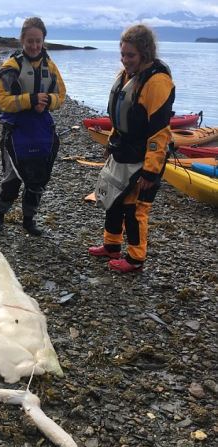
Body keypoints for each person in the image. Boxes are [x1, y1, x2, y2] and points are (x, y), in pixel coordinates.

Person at [89, 24, 175, 272]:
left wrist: (150, 171)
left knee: (135, 208)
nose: (125, 60)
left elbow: (159, 132)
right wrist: (110, 143)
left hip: (144, 158)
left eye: (131, 56)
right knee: (114, 200)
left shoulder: (157, 83)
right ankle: (111, 245)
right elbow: (121, 117)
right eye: (123, 54)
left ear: (145, 54)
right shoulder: (128, 77)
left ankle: (135, 258)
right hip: (123, 151)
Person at [0, 17, 66, 236]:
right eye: (30, 41)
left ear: (43, 41)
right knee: (12, 178)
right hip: (16, 130)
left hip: (41, 130)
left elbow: (61, 95)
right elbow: (2, 100)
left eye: (38, 41)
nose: (34, 46)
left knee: (38, 176)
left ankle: (29, 219)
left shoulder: (50, 67)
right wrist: (30, 100)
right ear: (22, 40)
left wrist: (49, 102)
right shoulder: (11, 67)